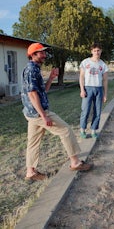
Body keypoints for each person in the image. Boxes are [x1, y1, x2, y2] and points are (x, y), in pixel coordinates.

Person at [21, 42, 92, 182]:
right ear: (33, 54)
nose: (44, 55)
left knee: (33, 142)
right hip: (38, 113)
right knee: (65, 130)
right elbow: (32, 95)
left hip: (32, 113)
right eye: (41, 52)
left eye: (44, 52)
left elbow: (43, 92)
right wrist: (43, 115)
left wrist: (51, 78)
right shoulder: (31, 70)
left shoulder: (35, 69)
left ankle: (31, 173)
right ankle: (75, 163)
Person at [79, 43, 108, 139]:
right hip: (88, 88)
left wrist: (105, 94)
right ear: (91, 51)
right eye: (95, 50)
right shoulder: (85, 62)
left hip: (98, 89)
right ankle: (82, 130)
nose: (97, 52)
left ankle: (93, 131)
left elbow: (105, 80)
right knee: (85, 110)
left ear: (101, 51)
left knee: (98, 111)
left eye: (98, 50)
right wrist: (82, 90)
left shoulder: (103, 65)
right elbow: (81, 77)